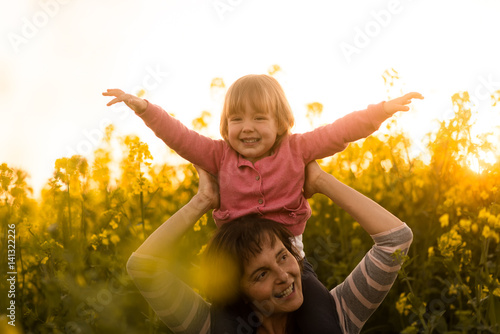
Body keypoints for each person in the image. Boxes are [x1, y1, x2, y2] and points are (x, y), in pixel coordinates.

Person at [103, 74, 422, 258]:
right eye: (236, 119)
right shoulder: (219, 155)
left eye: (259, 118)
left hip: (288, 259)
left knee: (319, 317)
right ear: (225, 126)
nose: (246, 127)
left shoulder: (297, 149)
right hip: (233, 259)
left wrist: (382, 111)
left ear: (281, 122)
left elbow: (341, 131)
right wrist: (144, 109)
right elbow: (180, 137)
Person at [126, 162, 413, 333]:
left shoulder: (339, 313)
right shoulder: (207, 327)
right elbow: (142, 267)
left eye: (283, 257)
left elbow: (395, 240)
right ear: (236, 291)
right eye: (261, 274)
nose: (284, 275)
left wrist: (320, 180)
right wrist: (203, 200)